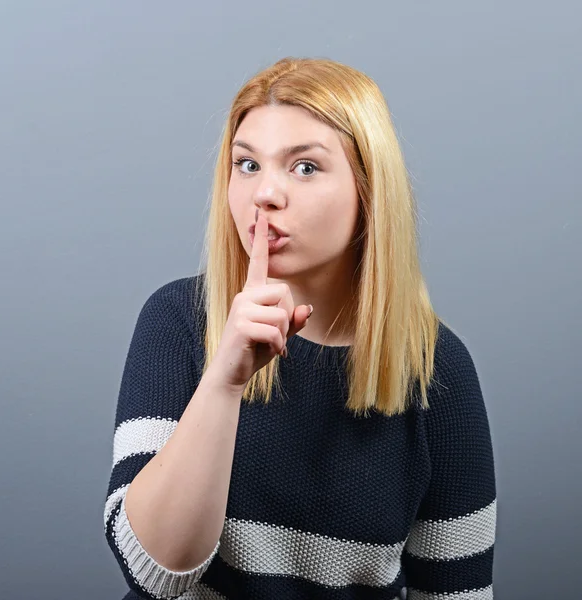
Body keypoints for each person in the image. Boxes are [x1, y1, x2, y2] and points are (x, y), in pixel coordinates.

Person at [103, 57, 497, 600]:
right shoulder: (177, 321)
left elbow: (458, 593)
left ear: (368, 189)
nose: (265, 194)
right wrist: (224, 381)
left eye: (304, 167)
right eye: (247, 165)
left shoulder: (438, 371)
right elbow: (155, 571)